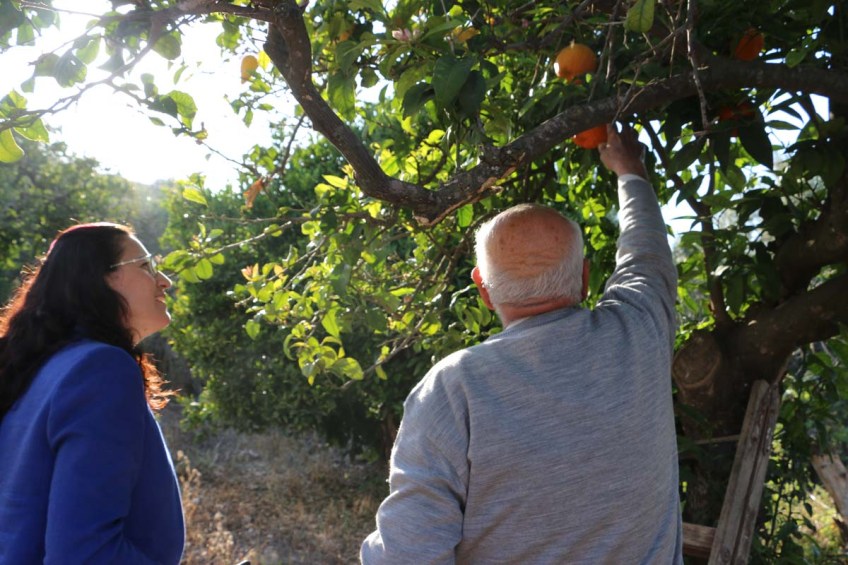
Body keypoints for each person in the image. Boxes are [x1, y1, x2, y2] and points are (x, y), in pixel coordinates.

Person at [361, 124, 682, 563]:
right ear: (585, 277)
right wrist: (630, 170)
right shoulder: (640, 332)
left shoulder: (454, 388)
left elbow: (409, 553)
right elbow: (646, 254)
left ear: (484, 289)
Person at [0, 223, 185, 563]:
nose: (165, 281)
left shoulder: (40, 368)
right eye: (146, 266)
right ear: (98, 278)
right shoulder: (101, 369)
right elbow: (85, 554)